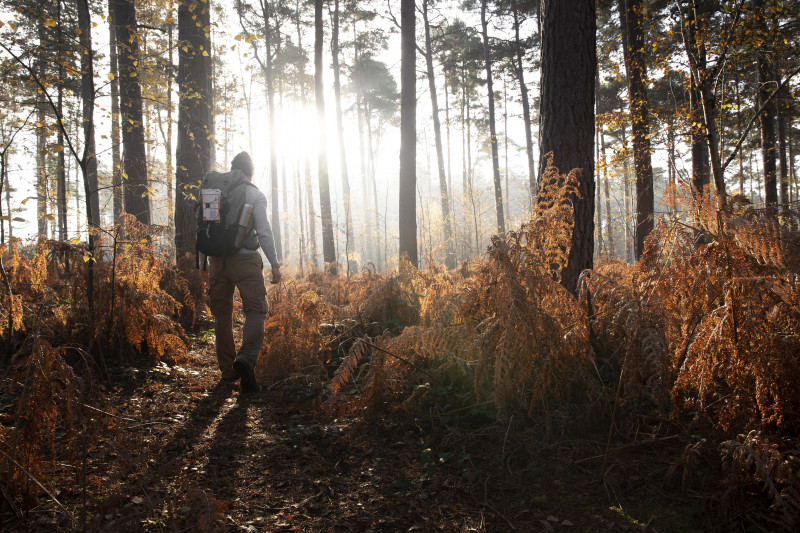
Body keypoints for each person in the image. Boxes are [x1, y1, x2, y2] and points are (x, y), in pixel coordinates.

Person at [207, 151, 281, 392]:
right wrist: (275, 264)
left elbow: (204, 228)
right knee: (256, 310)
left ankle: (229, 372)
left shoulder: (214, 190)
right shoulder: (254, 193)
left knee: (222, 315)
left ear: (231, 169)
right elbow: (264, 231)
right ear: (251, 172)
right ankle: (246, 360)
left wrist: (203, 264)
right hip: (247, 260)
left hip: (217, 261)